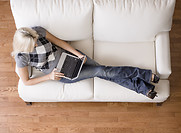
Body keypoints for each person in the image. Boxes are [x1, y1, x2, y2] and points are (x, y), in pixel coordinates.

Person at [12, 26, 160, 99]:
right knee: (102, 71)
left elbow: (60, 43)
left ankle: (144, 89)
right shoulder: (21, 57)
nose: (37, 44)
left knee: (105, 72)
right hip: (61, 73)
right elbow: (25, 81)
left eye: (36, 41)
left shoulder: (37, 31)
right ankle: (145, 76)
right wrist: (49, 77)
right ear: (24, 47)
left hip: (70, 56)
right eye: (33, 45)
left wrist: (78, 54)